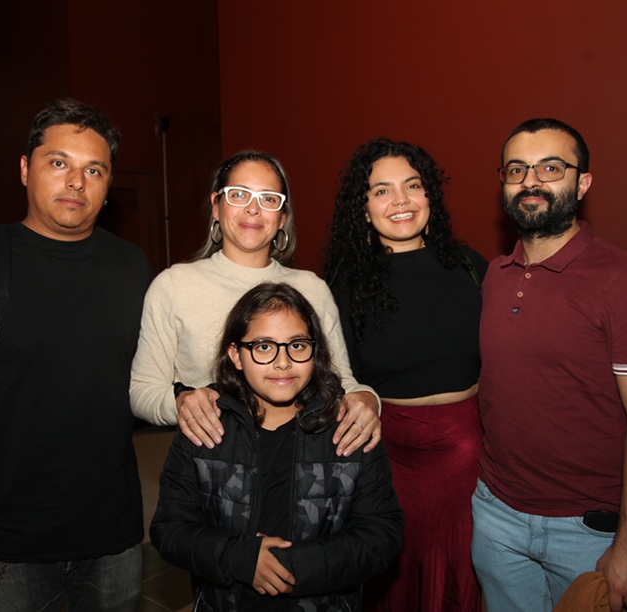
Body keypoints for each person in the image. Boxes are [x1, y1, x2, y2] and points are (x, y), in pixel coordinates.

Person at [0, 99, 153, 610]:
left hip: (113, 535)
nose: (76, 182)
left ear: (108, 185)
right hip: (2, 541)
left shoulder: (133, 268)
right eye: (59, 162)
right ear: (24, 169)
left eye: (94, 169)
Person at [472, 118, 627, 612]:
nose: (531, 181)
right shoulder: (495, 276)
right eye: (517, 169)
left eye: (551, 167)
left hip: (588, 534)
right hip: (495, 516)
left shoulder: (626, 280)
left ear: (582, 182)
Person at [150, 282, 404, 610]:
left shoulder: (349, 429)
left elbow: (383, 534)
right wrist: (240, 557)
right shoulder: (205, 428)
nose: (283, 362)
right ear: (235, 355)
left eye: (297, 345)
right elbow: (169, 529)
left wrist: (298, 564)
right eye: (264, 347)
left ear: (316, 352)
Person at [325, 138, 487, 611]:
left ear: (429, 196)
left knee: (466, 583)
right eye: (382, 191)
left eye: (412, 185)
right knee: (393, 585)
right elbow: (335, 382)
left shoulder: (471, 266)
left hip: (470, 462)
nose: (400, 201)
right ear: (363, 207)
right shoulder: (344, 285)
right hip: (387, 459)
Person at [129, 150, 381, 455]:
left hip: (301, 460)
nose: (253, 209)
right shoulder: (173, 286)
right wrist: (181, 403)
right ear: (216, 207)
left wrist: (368, 400)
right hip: (214, 463)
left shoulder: (312, 289)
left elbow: (343, 383)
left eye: (268, 199)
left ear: (282, 217)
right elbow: (141, 390)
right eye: (238, 195)